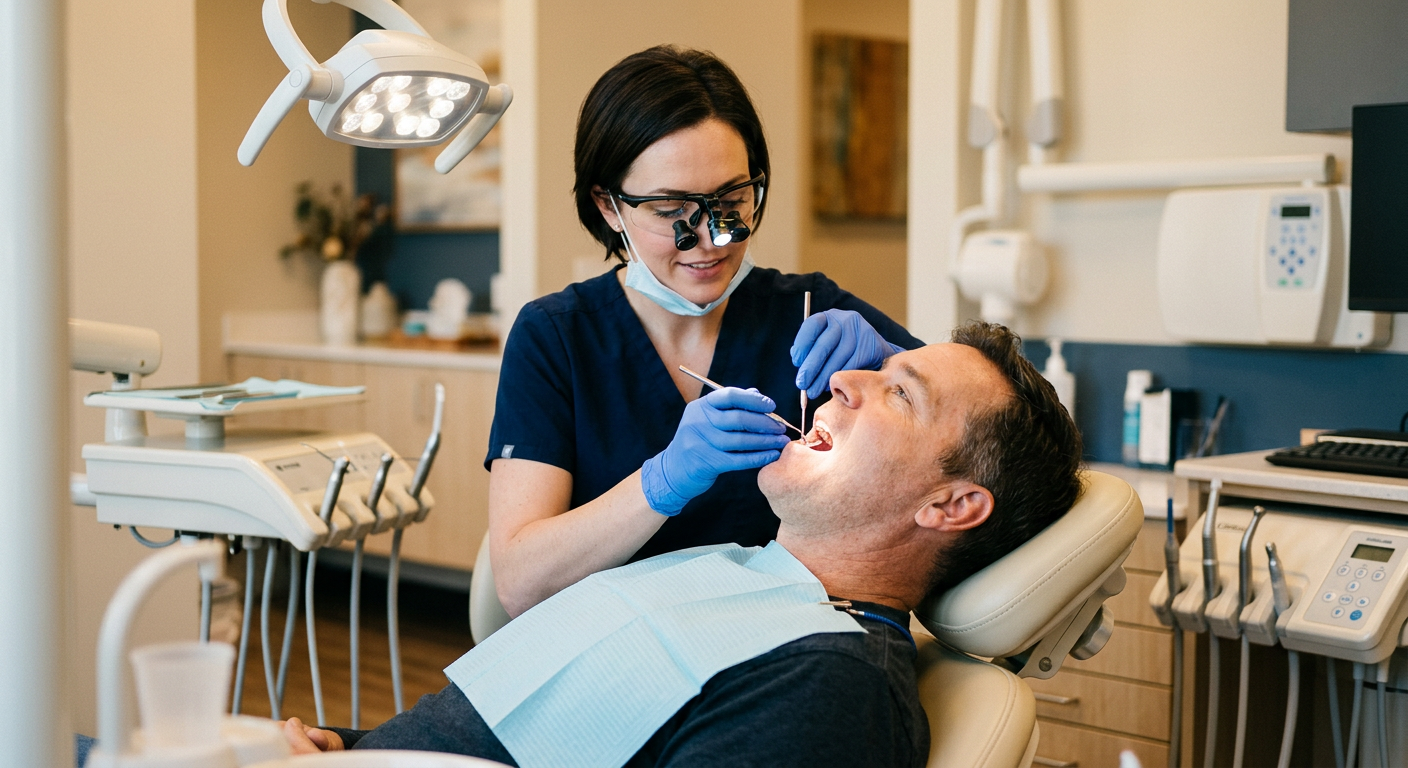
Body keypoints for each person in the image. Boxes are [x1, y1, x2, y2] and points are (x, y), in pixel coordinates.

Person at [282, 322, 1084, 767]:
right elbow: (519, 727)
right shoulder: (738, 571)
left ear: (952, 505)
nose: (848, 379)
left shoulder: (830, 686)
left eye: (897, 389)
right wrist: (353, 747)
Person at [489, 45, 923, 619]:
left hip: (781, 645)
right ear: (609, 206)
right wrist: (662, 482)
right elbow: (520, 583)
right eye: (672, 211)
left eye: (730, 199)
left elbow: (1003, 427)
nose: (714, 238)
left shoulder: (810, 310)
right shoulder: (557, 338)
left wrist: (899, 361)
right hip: (616, 646)